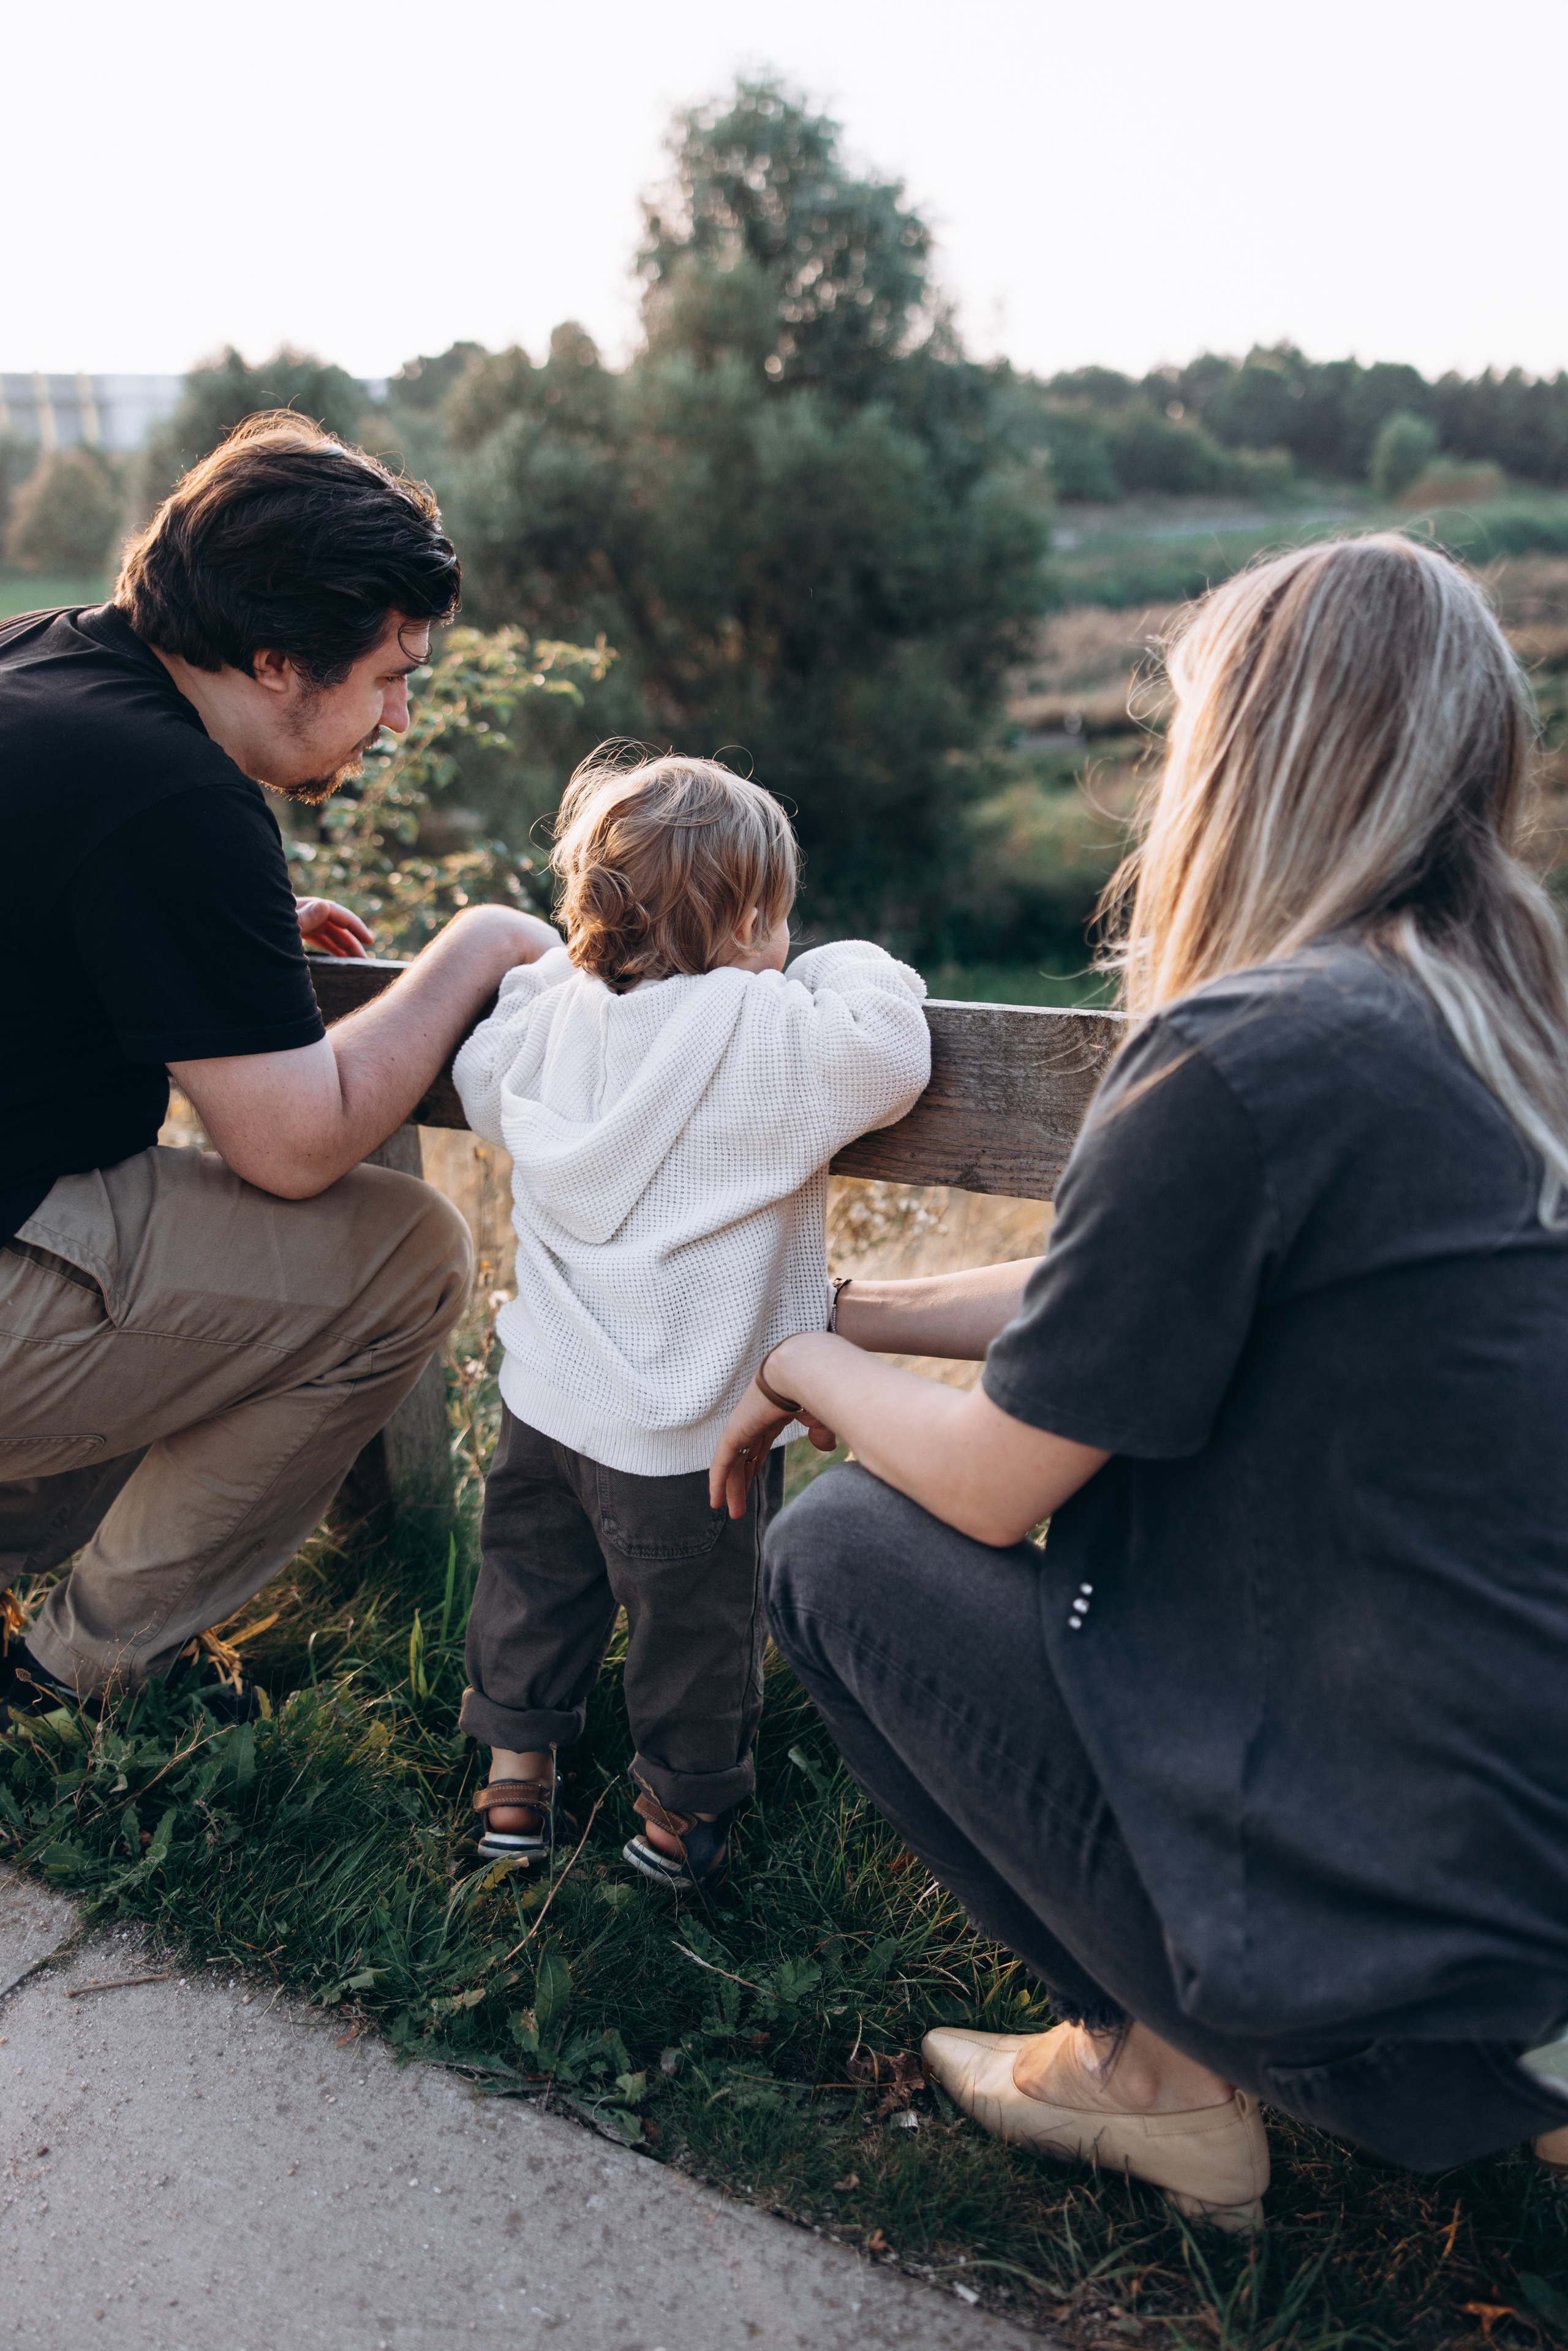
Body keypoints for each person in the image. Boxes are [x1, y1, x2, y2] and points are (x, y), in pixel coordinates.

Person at [710, 534, 1568, 2228]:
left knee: (841, 1551)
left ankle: (1162, 2068)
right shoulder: (1495, 1019)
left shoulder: (1243, 1050)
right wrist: (875, 1313)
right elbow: (1139, 1290)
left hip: (1410, 1994)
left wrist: (800, 1356)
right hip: (1523, 1886)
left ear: (1245, 759)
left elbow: (991, 1480)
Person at [0, 415, 558, 1723]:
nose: (400, 716)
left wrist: (225, 937)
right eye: (385, 676)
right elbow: (294, 1143)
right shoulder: (175, 802)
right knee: (402, 1255)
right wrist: (475, 943)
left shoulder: (49, 661)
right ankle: (74, 1677)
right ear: (275, 661)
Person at [450, 752, 929, 1889]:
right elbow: (892, 1048)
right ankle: (679, 1821)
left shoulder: (558, 1023)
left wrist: (536, 975)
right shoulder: (766, 1032)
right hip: (689, 1434)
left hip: (546, 1408)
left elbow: (476, 1072)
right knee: (694, 1632)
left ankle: (513, 1792)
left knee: (529, 1593)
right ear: (755, 916)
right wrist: (841, 956)